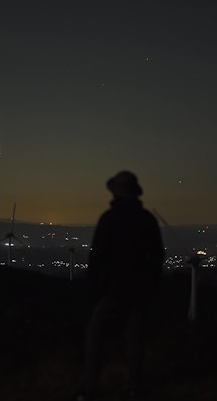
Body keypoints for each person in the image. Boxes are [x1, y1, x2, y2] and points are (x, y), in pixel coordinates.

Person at [77, 171, 165, 400]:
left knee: (95, 334)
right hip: (140, 291)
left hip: (112, 290)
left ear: (116, 192)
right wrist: (151, 285)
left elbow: (97, 259)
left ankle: (90, 388)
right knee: (136, 339)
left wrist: (93, 290)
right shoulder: (147, 219)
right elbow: (157, 256)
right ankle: (134, 386)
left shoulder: (109, 218)